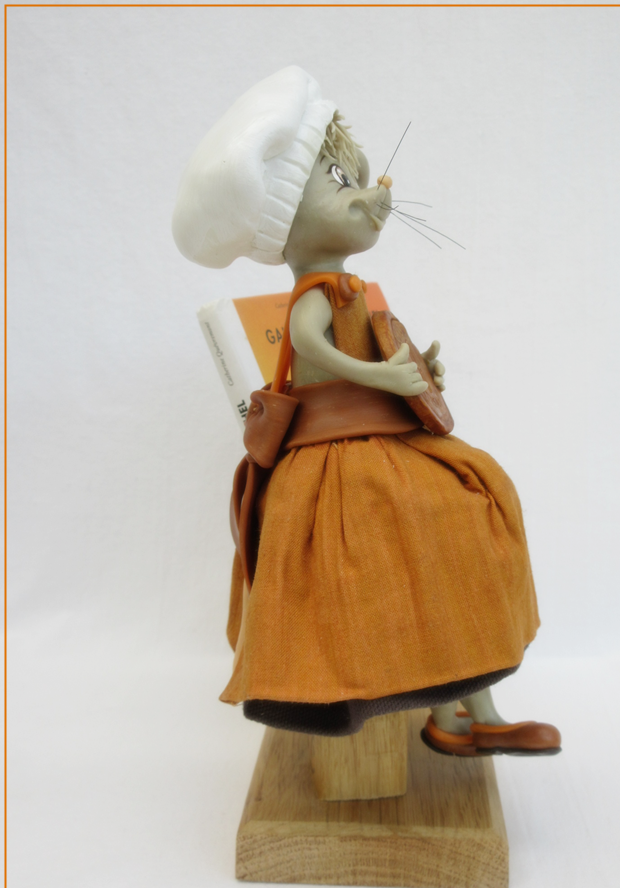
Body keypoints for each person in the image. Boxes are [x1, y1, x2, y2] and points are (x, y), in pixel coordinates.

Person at [173, 65, 561, 756]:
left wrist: (418, 370)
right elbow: (308, 346)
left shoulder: (355, 291)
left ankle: (465, 716)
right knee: (391, 541)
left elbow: (369, 349)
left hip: (385, 432)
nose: (365, 192)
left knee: (470, 505)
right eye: (338, 180)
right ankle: (434, 706)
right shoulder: (317, 293)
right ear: (286, 216)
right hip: (336, 453)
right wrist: (377, 373)